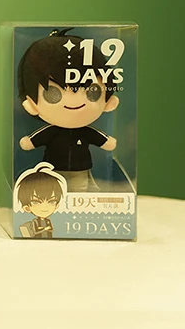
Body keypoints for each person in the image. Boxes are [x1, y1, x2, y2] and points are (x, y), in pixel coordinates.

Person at [17, 29, 119, 192]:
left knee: (80, 189)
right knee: (54, 190)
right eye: (53, 94)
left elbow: (103, 141)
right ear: (31, 104)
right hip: (53, 169)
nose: (73, 101)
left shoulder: (86, 132)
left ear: (109, 102)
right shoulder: (52, 132)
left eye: (92, 92)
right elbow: (32, 141)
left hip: (80, 169)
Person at [15, 162, 66, 239]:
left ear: (57, 206)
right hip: (37, 239)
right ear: (27, 208)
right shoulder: (36, 221)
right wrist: (44, 229)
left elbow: (51, 229)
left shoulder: (48, 221)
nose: (45, 207)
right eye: (36, 202)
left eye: (51, 202)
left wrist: (47, 229)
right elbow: (36, 230)